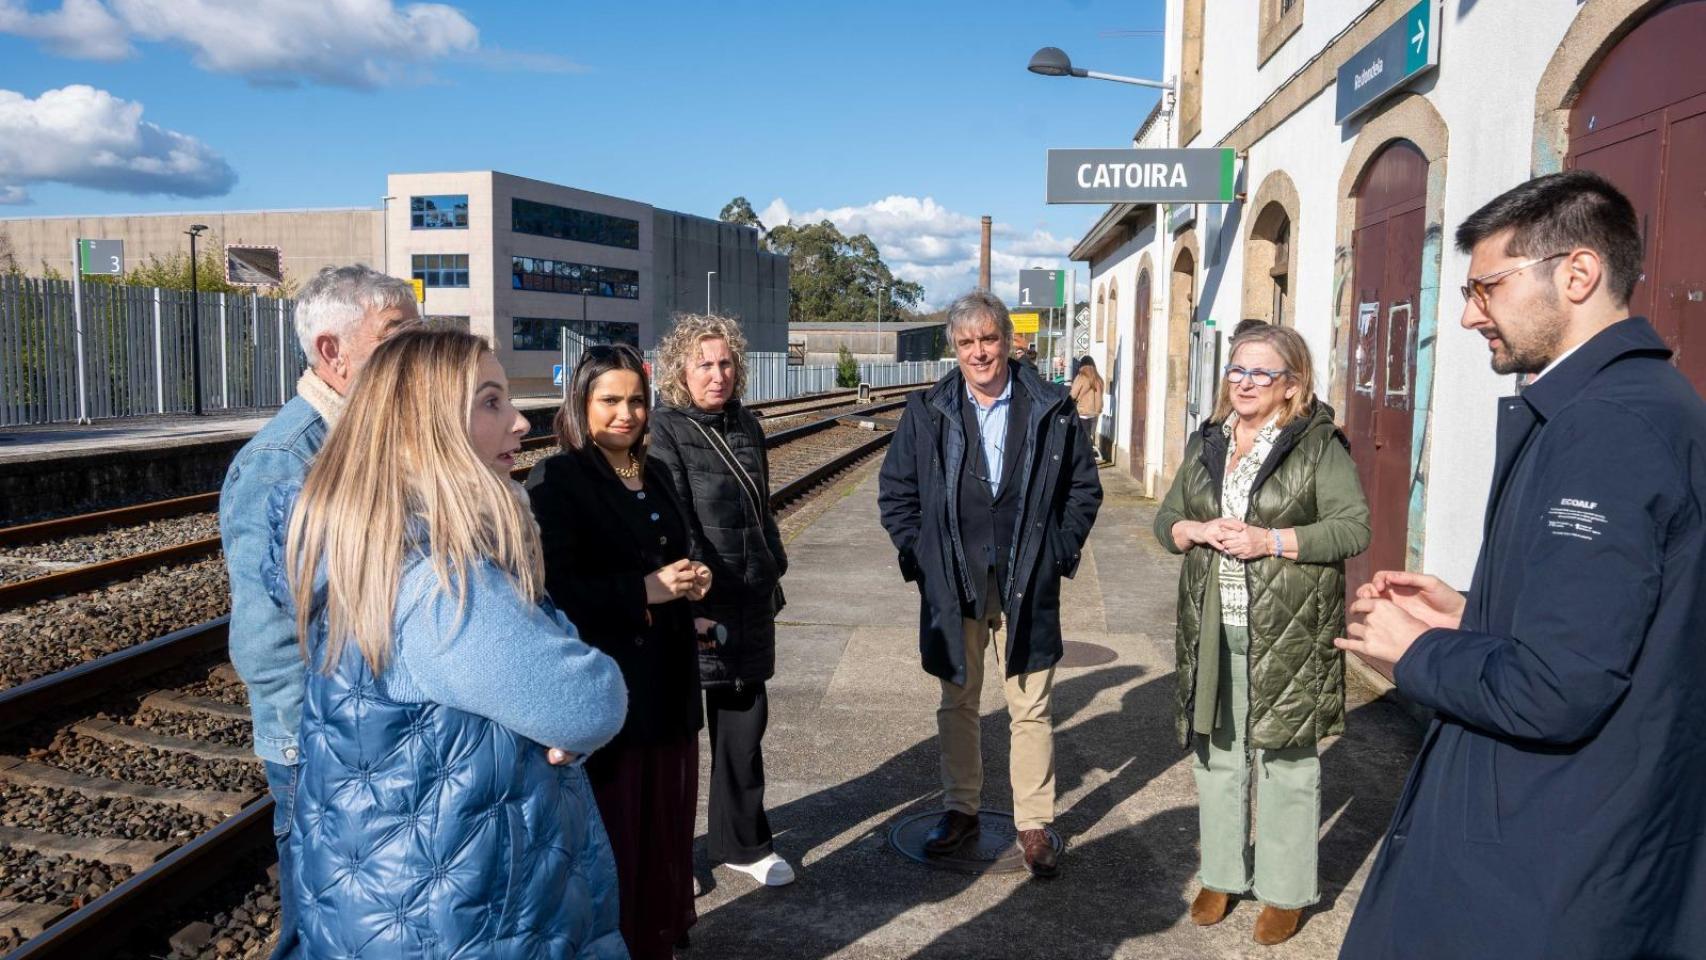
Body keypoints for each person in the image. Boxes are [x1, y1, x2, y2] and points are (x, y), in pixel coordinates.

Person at [1337, 171, 1706, 959]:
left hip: (1546, 873)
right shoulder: (1623, 406)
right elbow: (1616, 627)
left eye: (1487, 288)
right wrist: (1475, 613)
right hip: (1561, 853)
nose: (1470, 315)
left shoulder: (1610, 427)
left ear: (1576, 274)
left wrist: (1416, 653)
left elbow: (1559, 687)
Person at [271, 327, 630, 958]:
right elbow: (591, 700)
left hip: (401, 900)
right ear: (425, 427)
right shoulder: (441, 586)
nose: (520, 423)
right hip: (463, 922)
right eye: (490, 402)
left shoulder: (371, 548)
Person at [218, 264, 418, 958]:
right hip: (323, 743)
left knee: (363, 915)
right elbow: (268, 641)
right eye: (396, 335)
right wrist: (316, 743)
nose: (414, 350)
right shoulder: (284, 462)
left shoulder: (374, 438)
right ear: (332, 353)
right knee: (320, 924)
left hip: (372, 728)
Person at [1152, 323, 1370, 946]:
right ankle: (1221, 874)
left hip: (1289, 631)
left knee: (1286, 760)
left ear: (1291, 385)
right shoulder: (1209, 441)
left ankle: (1285, 890)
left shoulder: (1319, 446)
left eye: (1261, 374)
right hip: (1212, 625)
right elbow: (1167, 520)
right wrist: (1194, 530)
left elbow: (1353, 529)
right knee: (1216, 755)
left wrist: (1269, 540)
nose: (1244, 383)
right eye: (1236, 371)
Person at [877, 290, 1102, 878]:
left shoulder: (1051, 406)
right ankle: (962, 812)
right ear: (955, 347)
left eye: (989, 339)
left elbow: (1083, 489)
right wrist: (922, 557)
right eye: (967, 342)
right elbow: (896, 493)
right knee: (958, 700)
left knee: (1031, 706)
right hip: (954, 580)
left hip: (1029, 578)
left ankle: (1033, 823)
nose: (979, 352)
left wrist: (1058, 552)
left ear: (1008, 340)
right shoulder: (928, 410)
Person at [527, 344, 709, 959]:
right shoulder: (558, 479)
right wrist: (644, 590)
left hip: (670, 680)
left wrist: (690, 580)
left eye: (635, 400)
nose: (626, 413)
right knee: (619, 830)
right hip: (613, 688)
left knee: (665, 823)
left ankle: (659, 935)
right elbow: (556, 588)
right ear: (581, 405)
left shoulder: (651, 470)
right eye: (610, 400)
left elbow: (663, 551)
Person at [648, 314, 796, 887]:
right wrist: (691, 601)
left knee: (743, 728)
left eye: (726, 362)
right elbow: (675, 521)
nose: (718, 374)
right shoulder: (664, 430)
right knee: (678, 737)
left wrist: (774, 561)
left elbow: (761, 508)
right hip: (697, 604)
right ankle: (671, 857)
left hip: (750, 598)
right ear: (682, 372)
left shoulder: (748, 425)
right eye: (704, 364)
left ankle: (744, 843)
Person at [1068, 356, 1105, 455]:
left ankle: (1085, 458)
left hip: (1083, 412)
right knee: (1090, 436)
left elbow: (1073, 394)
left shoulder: (1081, 377)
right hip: (1095, 412)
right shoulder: (1099, 379)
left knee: (1083, 437)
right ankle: (1089, 455)